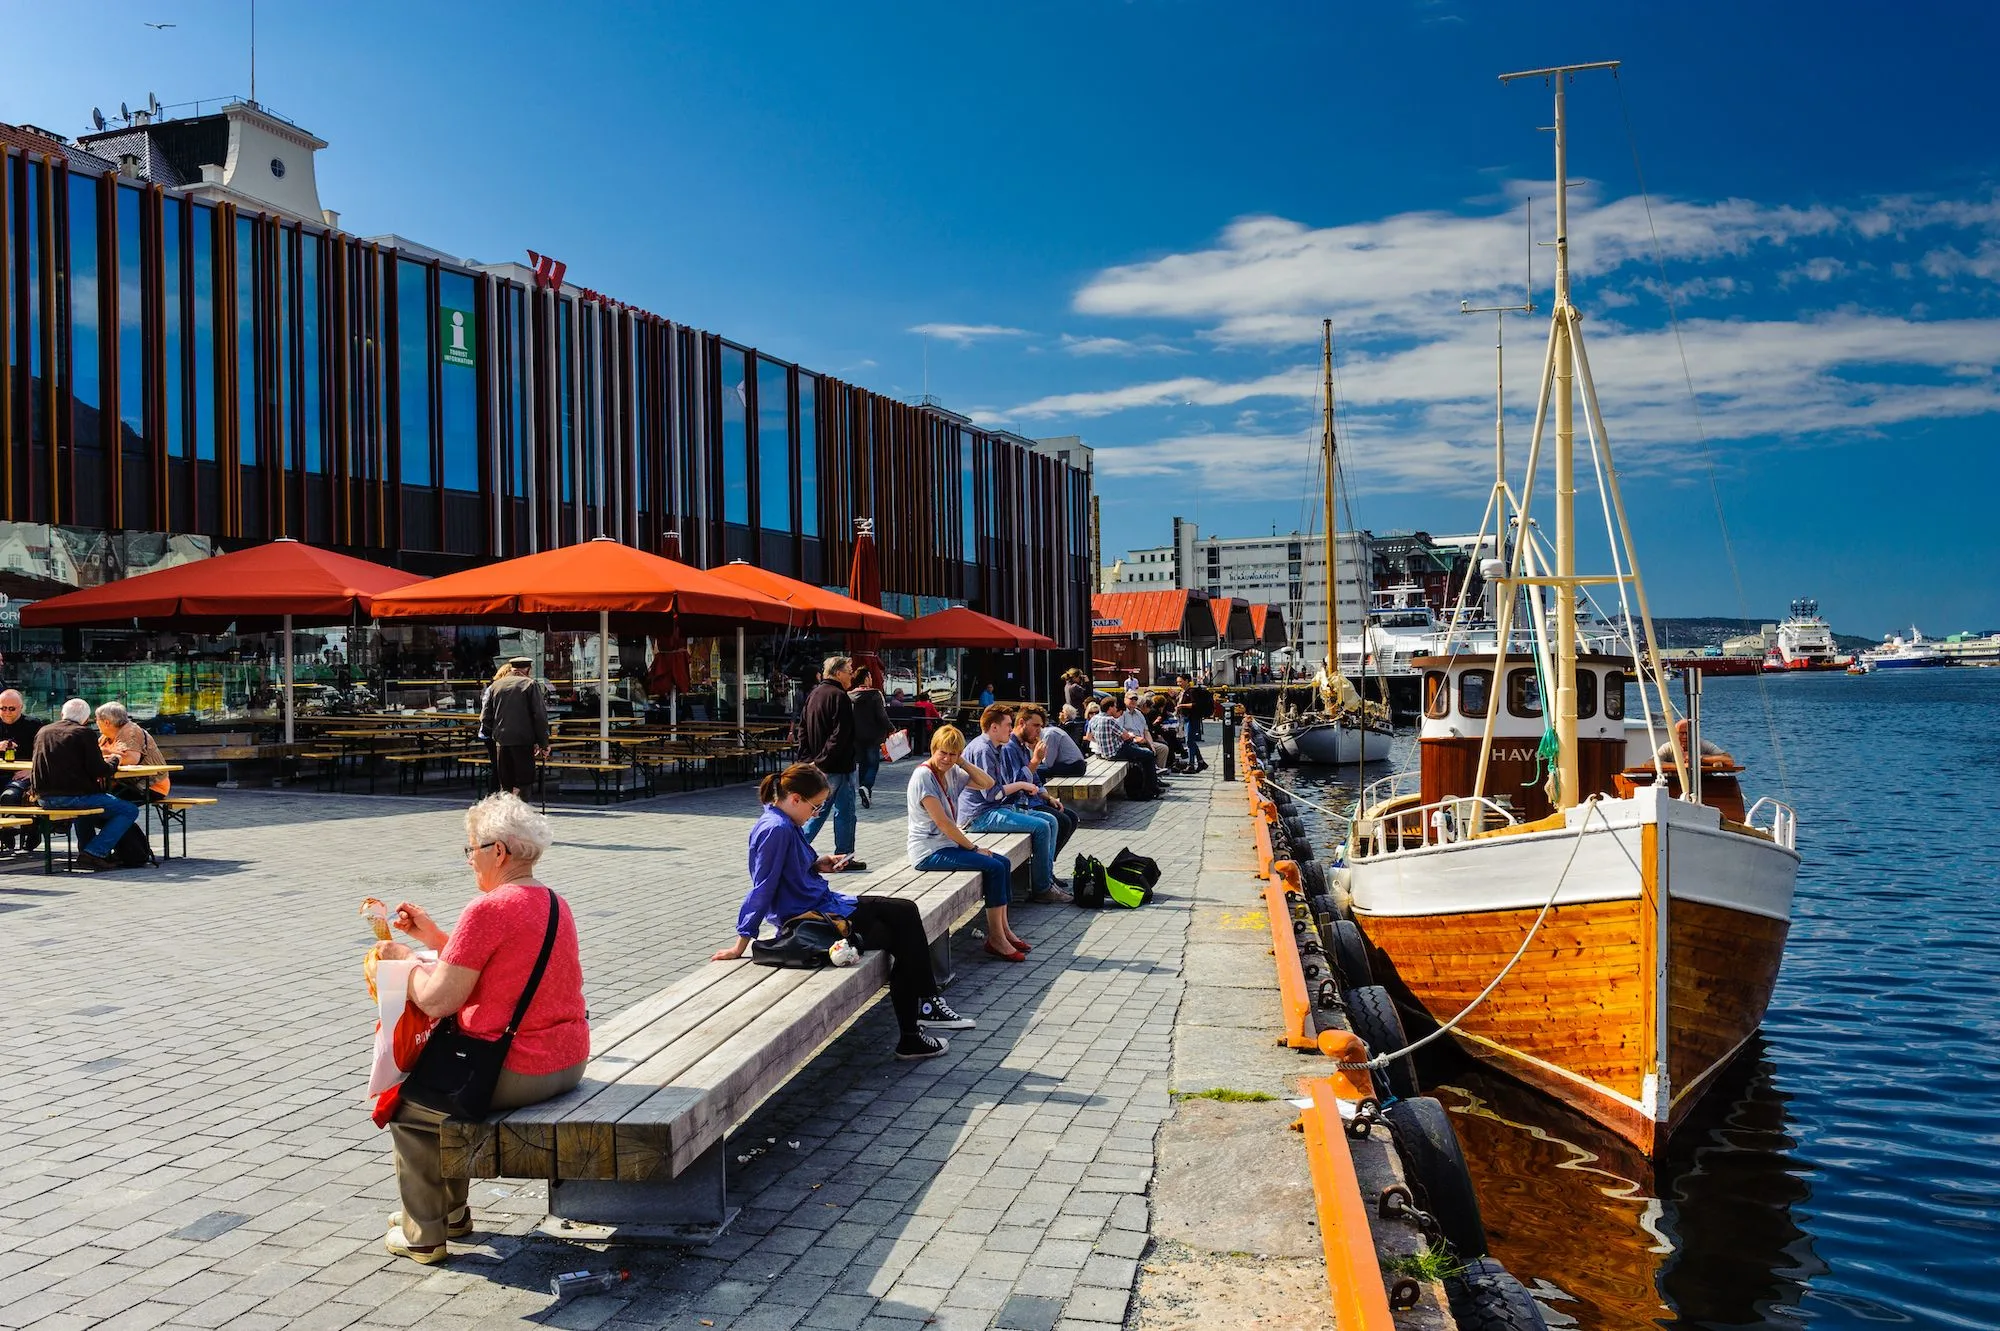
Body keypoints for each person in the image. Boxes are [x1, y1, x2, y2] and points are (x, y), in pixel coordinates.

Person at [374, 793, 590, 1264]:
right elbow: (502, 964)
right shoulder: (552, 900)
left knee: (410, 1110)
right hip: (568, 1059)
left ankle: (426, 1233)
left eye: (471, 847)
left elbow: (438, 998)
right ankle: (447, 1213)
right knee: (438, 1100)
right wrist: (433, 940)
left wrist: (404, 962)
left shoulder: (487, 908)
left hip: (516, 1068)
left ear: (499, 851)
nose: (469, 857)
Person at [714, 764, 972, 1058]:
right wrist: (741, 943)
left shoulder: (784, 823)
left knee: (901, 927)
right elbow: (763, 887)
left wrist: (817, 863)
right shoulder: (776, 829)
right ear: (795, 798)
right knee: (904, 921)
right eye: (816, 807)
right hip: (815, 916)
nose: (816, 814)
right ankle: (922, 1015)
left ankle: (918, 1024)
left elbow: (789, 870)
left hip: (825, 905)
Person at [906, 725, 1030, 962]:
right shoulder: (924, 777)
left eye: (953, 754)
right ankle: (996, 938)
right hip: (928, 851)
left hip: (946, 846)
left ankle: (1004, 930)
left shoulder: (951, 771)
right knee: (993, 866)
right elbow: (944, 824)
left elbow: (987, 783)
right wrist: (973, 848)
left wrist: (962, 763)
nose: (947, 758)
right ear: (933, 749)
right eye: (943, 752)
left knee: (1002, 862)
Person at [957, 704, 1069, 904]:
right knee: (1042, 826)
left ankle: (1046, 879)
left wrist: (1032, 787)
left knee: (1051, 820)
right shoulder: (984, 749)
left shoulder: (996, 746)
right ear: (994, 727)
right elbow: (992, 795)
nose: (1011, 729)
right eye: (1008, 725)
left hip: (994, 809)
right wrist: (1021, 783)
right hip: (978, 816)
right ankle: (1041, 888)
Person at [32, 698, 137, 872]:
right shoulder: (84, 733)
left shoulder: (43, 731)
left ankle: (87, 850)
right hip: (74, 796)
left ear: (62, 714)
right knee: (128, 810)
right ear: (85, 719)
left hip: (44, 798)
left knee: (86, 810)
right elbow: (99, 770)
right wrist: (115, 759)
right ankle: (94, 852)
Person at [797, 655, 866, 871]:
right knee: (823, 812)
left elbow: (802, 729)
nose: (851, 675)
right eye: (848, 670)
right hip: (836, 766)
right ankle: (795, 853)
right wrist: (820, 762)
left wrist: (808, 759)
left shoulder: (814, 694)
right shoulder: (840, 697)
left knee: (835, 811)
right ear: (837, 673)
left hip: (826, 764)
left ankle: (843, 856)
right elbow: (840, 734)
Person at [1008, 707, 1080, 854]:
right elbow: (1017, 782)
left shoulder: (1023, 747)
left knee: (1071, 817)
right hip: (1021, 803)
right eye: (1036, 726)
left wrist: (1048, 796)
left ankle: (1048, 862)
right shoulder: (1010, 747)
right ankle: (1043, 867)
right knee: (1062, 821)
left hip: (1034, 799)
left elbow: (1035, 779)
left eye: (1040, 726)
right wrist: (1036, 760)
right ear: (1021, 723)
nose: (1039, 731)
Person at [480, 658, 550, 798]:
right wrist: (543, 743)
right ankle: (519, 812)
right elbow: (539, 716)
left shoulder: (495, 686)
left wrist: (497, 733)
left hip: (502, 742)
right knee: (523, 782)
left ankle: (507, 813)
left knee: (505, 783)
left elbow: (485, 717)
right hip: (523, 741)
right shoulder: (529, 684)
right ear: (528, 669)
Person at [1084, 695, 1161, 798]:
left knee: (1139, 753)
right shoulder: (1109, 720)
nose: (1116, 709)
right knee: (1148, 755)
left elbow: (1089, 736)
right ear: (1110, 708)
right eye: (1115, 707)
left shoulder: (1094, 719)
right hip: (1116, 752)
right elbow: (1126, 736)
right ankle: (1151, 788)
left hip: (1103, 752)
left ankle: (1149, 786)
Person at [95, 701, 170, 800]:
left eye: (97, 719)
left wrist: (105, 753)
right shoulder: (105, 737)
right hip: (124, 783)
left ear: (106, 722)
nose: (95, 722)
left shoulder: (131, 731)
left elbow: (131, 758)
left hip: (150, 785)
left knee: (103, 803)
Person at [0, 691, 44, 853]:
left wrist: (31, 769)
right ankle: (6, 830)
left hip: (23, 774)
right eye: (3, 708)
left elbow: (44, 753)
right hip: (2, 773)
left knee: (9, 796)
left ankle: (31, 828)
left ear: (21, 707)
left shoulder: (33, 725)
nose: (7, 712)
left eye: (12, 708)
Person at [849, 665, 893, 809]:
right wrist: (890, 728)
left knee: (862, 763)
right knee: (873, 764)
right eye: (871, 677)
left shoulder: (850, 695)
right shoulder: (875, 694)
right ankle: (866, 787)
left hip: (857, 736)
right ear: (867, 678)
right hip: (874, 735)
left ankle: (865, 792)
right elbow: (881, 715)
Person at [1019, 704, 1087, 779]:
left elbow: (1048, 763)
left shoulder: (1049, 735)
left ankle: (1038, 789)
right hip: (1074, 765)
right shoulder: (1051, 731)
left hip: (1073, 766)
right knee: (1036, 769)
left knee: (1036, 771)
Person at [1174, 672, 1210, 773]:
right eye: (1177, 682)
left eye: (1180, 682)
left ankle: (1191, 765)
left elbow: (1195, 704)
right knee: (1191, 741)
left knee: (1189, 741)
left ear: (1186, 681)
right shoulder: (1183, 691)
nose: (1179, 684)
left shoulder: (1192, 691)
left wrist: (1182, 706)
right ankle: (1201, 762)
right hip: (1185, 718)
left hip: (1192, 718)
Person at [1123, 692, 1170, 768]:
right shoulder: (1122, 713)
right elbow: (1121, 731)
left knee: (1163, 748)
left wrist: (1151, 744)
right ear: (1125, 699)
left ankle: (1158, 772)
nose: (1134, 701)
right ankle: (1152, 774)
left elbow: (1146, 731)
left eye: (1135, 699)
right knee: (1147, 752)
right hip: (1131, 742)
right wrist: (1135, 738)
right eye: (1131, 699)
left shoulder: (1139, 714)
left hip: (1144, 740)